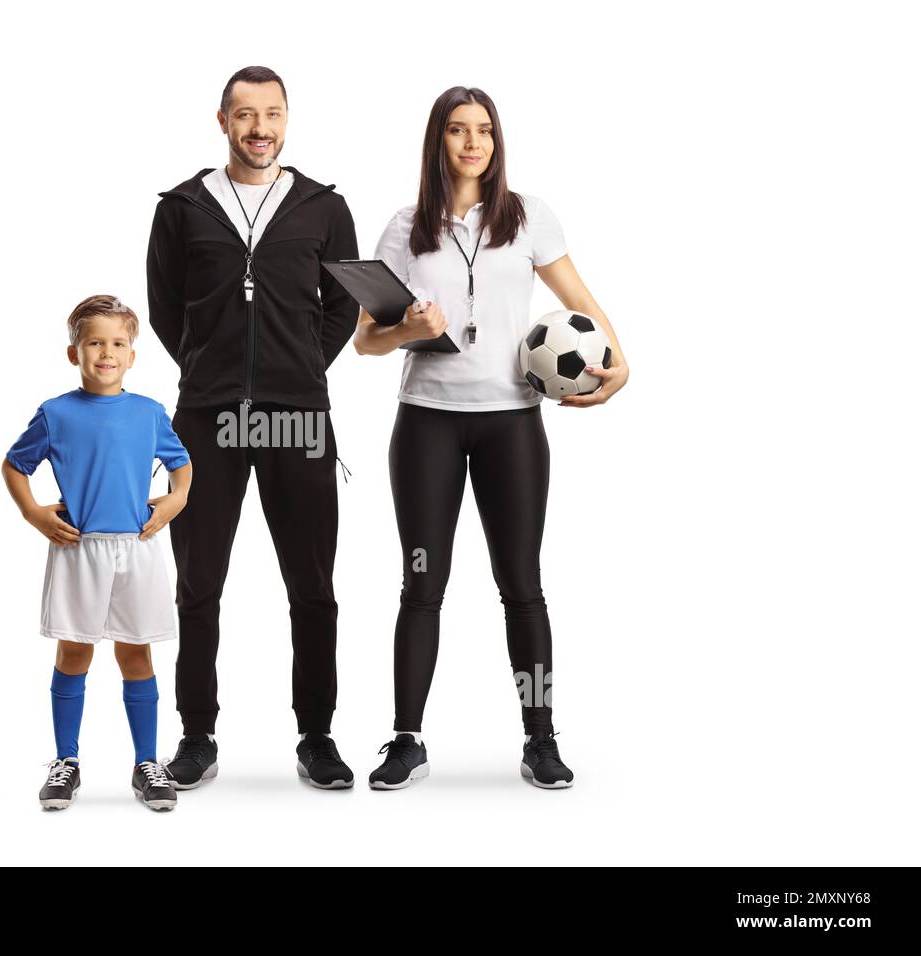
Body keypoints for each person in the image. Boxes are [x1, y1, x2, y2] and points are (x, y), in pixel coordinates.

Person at [353, 86, 629, 790]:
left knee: (523, 585)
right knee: (422, 585)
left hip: (512, 423)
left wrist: (619, 362)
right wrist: (408, 330)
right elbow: (365, 342)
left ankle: (541, 738)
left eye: (483, 131)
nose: (473, 143)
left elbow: (582, 304)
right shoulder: (405, 225)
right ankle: (406, 739)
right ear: (437, 141)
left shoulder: (528, 216)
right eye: (457, 130)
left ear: (496, 141)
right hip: (427, 424)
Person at [145, 66, 361, 789]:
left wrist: (299, 372)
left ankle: (317, 735)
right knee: (198, 583)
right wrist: (212, 374)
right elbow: (165, 309)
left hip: (297, 417)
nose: (259, 128)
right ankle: (197, 734)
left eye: (271, 114)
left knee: (313, 584)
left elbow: (343, 307)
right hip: (208, 419)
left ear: (287, 120)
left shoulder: (324, 208)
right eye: (245, 115)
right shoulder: (181, 206)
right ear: (222, 121)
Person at [1, 294, 194, 811]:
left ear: (133, 354)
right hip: (78, 548)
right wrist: (34, 513)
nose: (105, 353)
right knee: (74, 652)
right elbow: (14, 465)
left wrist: (174, 501)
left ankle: (147, 764)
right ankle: (66, 762)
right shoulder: (56, 413)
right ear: (74, 353)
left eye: (117, 344)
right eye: (94, 343)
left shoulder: (149, 413)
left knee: (136, 653)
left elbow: (181, 465)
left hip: (138, 548)